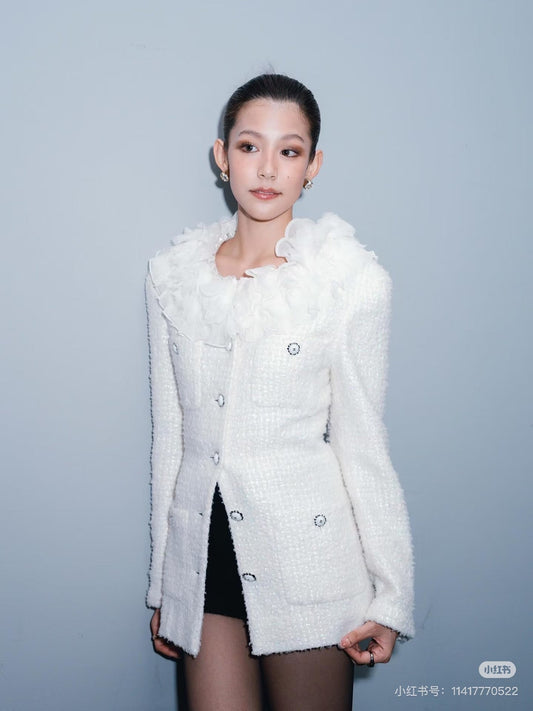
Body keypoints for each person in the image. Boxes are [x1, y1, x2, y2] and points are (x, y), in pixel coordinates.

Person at [145, 73, 414, 711]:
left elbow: (363, 444)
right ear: (222, 155)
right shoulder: (171, 278)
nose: (267, 168)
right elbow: (171, 442)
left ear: (312, 165)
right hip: (202, 564)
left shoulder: (351, 281)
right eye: (249, 146)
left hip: (308, 562)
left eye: (289, 151)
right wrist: (164, 586)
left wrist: (392, 594)